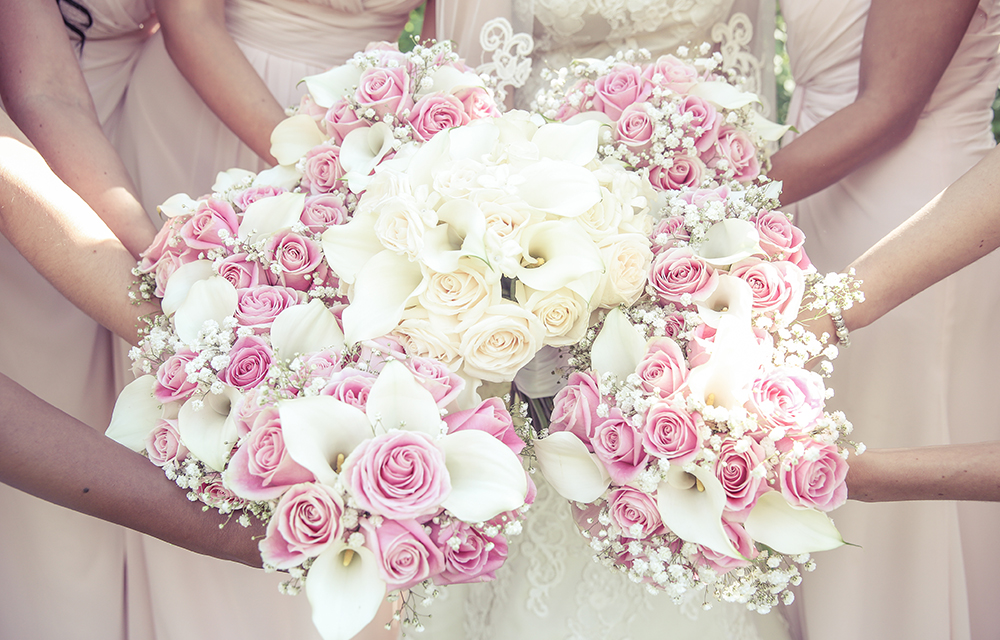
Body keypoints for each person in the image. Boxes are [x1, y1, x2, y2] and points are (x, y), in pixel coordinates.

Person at [425, 4, 795, 640]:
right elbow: (474, 85)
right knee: (551, 420)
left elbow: (744, 69)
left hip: (692, 218)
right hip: (540, 198)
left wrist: (705, 208)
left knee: (669, 420)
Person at [766, 0, 1000, 638]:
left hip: (920, 209)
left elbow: (891, 100)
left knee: (899, 452)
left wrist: (857, 476)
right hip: (823, 212)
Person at [0, 1, 159, 637]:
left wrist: (160, 258)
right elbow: (38, 94)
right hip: (39, 174)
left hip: (132, 146)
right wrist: (188, 333)